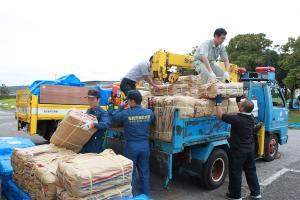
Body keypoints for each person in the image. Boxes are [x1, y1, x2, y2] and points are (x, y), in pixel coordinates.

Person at [215, 95, 261, 200]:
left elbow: (220, 115)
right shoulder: (251, 118)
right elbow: (243, 110)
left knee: (235, 172)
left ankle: (235, 195)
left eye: (240, 105)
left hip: (239, 151)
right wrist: (238, 101)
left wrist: (217, 103)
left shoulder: (237, 119)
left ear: (242, 108)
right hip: (250, 150)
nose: (239, 105)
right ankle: (256, 193)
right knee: (251, 170)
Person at [111, 90, 154, 196]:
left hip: (132, 146)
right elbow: (152, 120)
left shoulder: (126, 113)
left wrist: (121, 107)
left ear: (132, 101)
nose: (127, 102)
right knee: (144, 172)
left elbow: (114, 117)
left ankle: (133, 195)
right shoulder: (149, 112)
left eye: (128, 100)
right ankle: (145, 195)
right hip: (144, 146)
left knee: (132, 173)